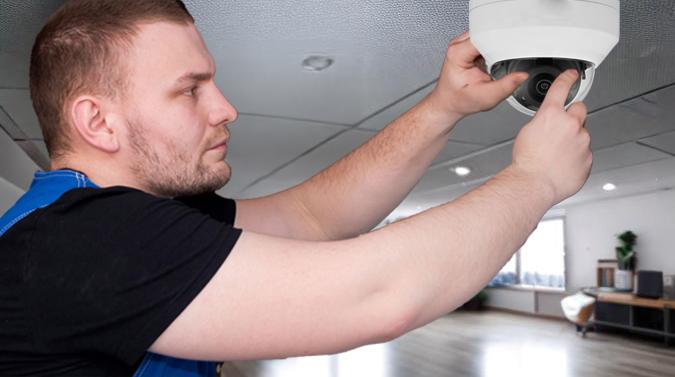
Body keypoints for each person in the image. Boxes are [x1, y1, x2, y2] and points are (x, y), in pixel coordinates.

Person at [0, 0, 591, 376]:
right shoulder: (81, 241)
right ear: (97, 122)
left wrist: (442, 108)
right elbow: (377, 293)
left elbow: (312, 216)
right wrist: (535, 179)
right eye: (189, 89)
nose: (226, 108)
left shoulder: (137, 218)